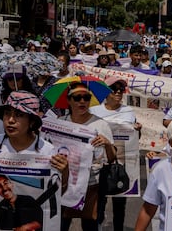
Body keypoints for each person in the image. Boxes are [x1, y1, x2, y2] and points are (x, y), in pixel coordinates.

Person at [0, 91, 68, 230]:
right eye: (7, 113)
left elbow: (59, 193)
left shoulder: (46, 150)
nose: (10, 120)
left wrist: (65, 172)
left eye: (19, 115)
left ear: (32, 122)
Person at [59, 82, 115, 231]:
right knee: (60, 225)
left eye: (86, 97)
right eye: (77, 98)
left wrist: (107, 144)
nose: (82, 101)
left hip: (93, 186)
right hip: (64, 185)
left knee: (91, 226)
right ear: (69, 101)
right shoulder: (59, 124)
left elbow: (111, 159)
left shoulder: (101, 124)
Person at [90, 77, 142, 231]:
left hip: (121, 162)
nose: (119, 92)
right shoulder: (94, 110)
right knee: (99, 200)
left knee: (120, 201)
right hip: (99, 162)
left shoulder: (128, 111)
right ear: (106, 92)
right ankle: (98, 225)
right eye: (114, 89)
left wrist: (138, 130)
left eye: (121, 89)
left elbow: (135, 138)